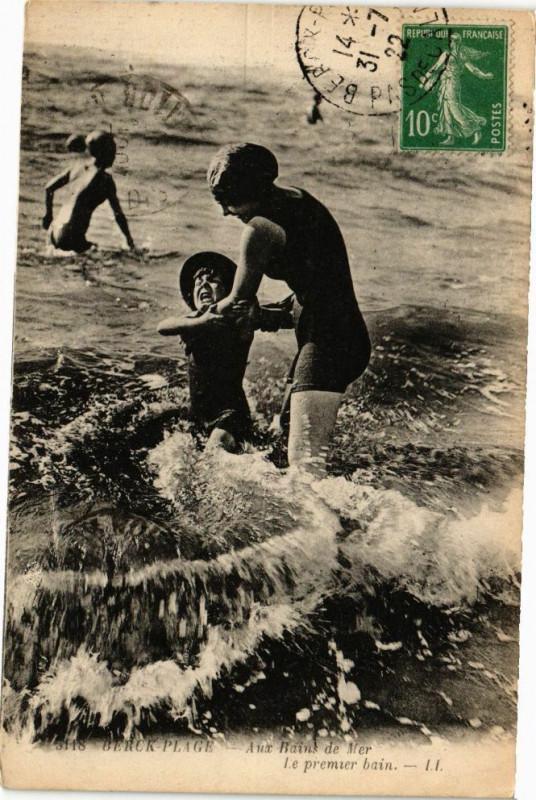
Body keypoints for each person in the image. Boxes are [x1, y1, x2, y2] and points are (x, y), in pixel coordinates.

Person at [206, 143, 371, 478]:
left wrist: (207, 312)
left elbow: (236, 303)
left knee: (305, 469)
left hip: (327, 342)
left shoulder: (258, 230)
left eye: (228, 200)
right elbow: (320, 288)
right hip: (341, 333)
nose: (225, 211)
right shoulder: (298, 199)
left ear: (252, 191)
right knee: (282, 445)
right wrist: (268, 314)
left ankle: (340, 527)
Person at [157, 251, 293, 453]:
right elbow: (163, 326)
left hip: (230, 413)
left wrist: (256, 313)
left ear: (230, 290)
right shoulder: (193, 322)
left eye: (212, 280)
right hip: (199, 414)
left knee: (215, 450)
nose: (203, 284)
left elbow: (278, 318)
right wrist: (200, 322)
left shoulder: (237, 322)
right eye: (198, 282)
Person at [43, 130, 135, 253]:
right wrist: (129, 241)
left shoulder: (79, 167)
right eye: (112, 150)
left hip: (53, 230)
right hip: (70, 235)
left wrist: (48, 216)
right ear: (103, 152)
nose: (114, 155)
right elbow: (118, 215)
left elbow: (49, 188)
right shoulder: (105, 180)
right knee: (100, 258)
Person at [420, 33, 493, 146]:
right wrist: (425, 78)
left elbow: (473, 69)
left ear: (456, 42)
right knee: (446, 109)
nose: (451, 43)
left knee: (454, 108)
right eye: (450, 41)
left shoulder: (461, 55)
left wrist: (484, 76)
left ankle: (475, 128)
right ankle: (450, 137)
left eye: (453, 41)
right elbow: (436, 67)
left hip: (453, 83)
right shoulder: (446, 54)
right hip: (444, 82)